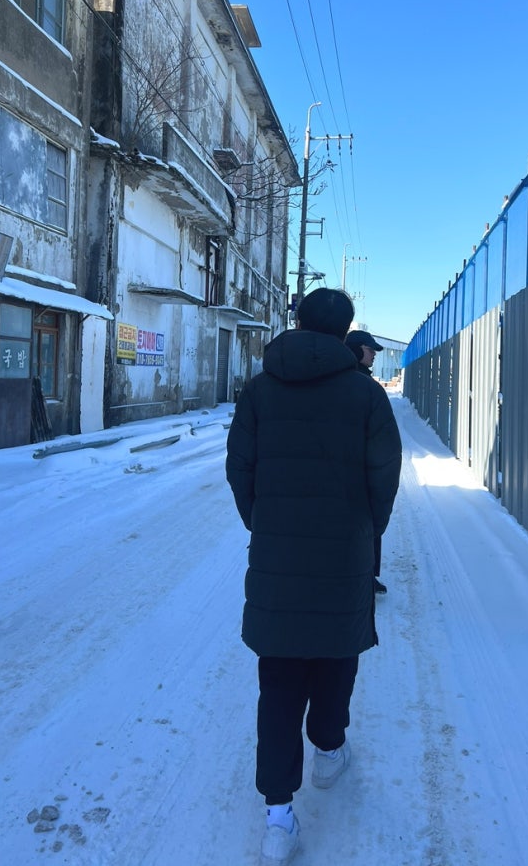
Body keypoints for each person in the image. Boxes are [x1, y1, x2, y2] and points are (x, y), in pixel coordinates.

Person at [226, 288, 402, 866]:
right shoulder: (367, 395)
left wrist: (265, 521)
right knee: (335, 653)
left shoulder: (259, 389)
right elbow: (384, 475)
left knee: (278, 678)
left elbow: (239, 467)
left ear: (298, 322)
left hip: (277, 553)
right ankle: (328, 750)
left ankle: (278, 820)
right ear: (346, 331)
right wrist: (365, 531)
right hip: (344, 551)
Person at [345, 330, 389, 595]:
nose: (373, 354)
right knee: (364, 527)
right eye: (370, 349)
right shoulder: (360, 384)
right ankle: (364, 576)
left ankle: (367, 575)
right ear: (356, 350)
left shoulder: (360, 380)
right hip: (357, 471)